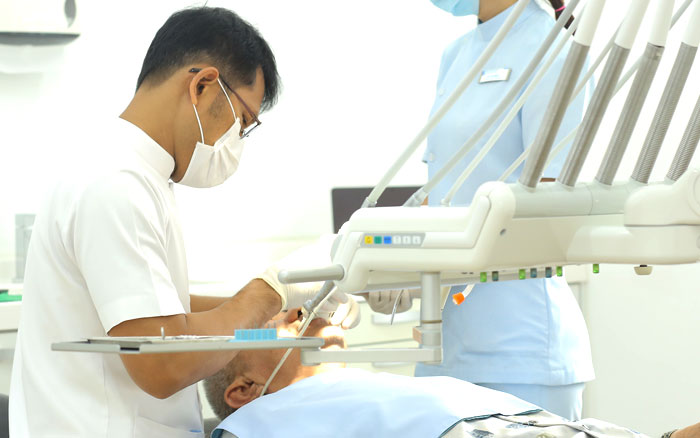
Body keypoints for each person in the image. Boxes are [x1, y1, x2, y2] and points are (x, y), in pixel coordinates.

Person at [9, 7, 355, 437]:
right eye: (242, 122)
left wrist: (285, 304)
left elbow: (160, 307)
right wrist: (271, 291)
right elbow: (164, 362)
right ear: (203, 85)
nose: (237, 142)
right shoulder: (116, 184)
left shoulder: (134, 176)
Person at [368, 0, 594, 421]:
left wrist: (442, 264)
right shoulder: (456, 54)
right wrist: (398, 271)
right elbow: (445, 191)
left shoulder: (557, 51)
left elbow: (550, 209)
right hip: (446, 347)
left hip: (521, 350)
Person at [203, 316, 670, 438]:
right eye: (275, 323)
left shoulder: (349, 388)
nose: (300, 315)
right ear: (244, 391)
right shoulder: (254, 424)